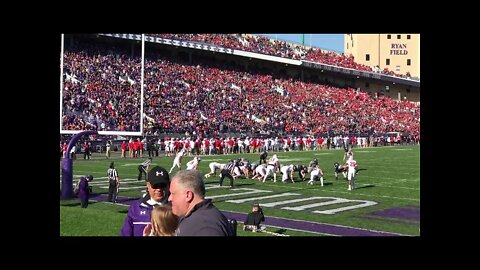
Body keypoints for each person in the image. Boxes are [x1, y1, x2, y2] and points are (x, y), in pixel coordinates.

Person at [168, 170, 234, 236]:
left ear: (188, 195)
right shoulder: (194, 216)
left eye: (173, 194)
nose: (169, 198)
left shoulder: (206, 227)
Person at [121, 166, 170, 236]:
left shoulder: (175, 207)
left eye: (162, 185)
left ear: (168, 185)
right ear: (148, 185)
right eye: (155, 185)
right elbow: (126, 234)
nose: (159, 189)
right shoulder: (136, 207)